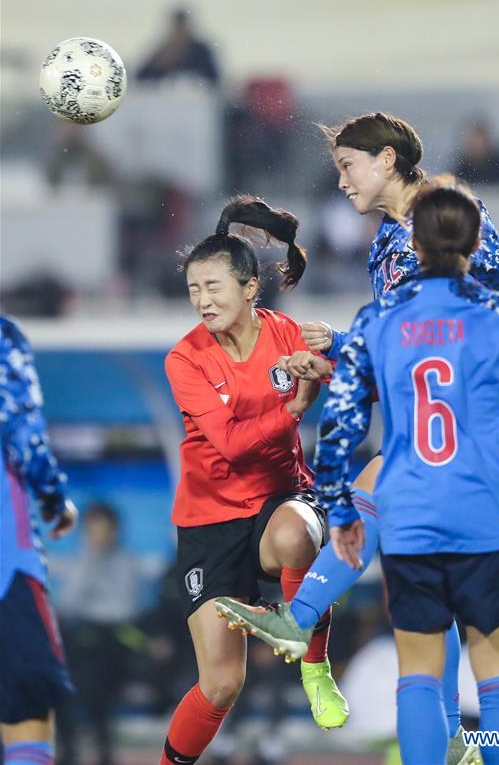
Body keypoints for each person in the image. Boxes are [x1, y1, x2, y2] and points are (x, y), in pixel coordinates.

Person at [212, 112, 499, 765]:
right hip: (469, 481)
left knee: (380, 508)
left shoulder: (444, 219)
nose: (341, 181)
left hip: (443, 443)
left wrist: (352, 350)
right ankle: (453, 745)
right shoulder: (391, 240)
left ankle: (301, 618)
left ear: (386, 160)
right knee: (475, 658)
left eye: (347, 166)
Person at [160, 196, 348, 765]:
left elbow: (344, 380)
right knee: (221, 685)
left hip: (279, 495)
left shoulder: (285, 331)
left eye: (213, 287)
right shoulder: (184, 360)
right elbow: (232, 444)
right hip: (208, 519)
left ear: (249, 289)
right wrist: (295, 410)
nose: (202, 300)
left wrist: (330, 361)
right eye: (194, 289)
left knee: (297, 536)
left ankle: (313, 666)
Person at [0, 315, 77, 765]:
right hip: (5, 557)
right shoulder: (3, 337)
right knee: (26, 702)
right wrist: (54, 499)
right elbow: (22, 433)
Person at [56, 503, 141, 765]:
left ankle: (103, 749)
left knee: (95, 684)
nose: (98, 534)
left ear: (115, 530)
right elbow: (67, 601)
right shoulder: (80, 560)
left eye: (103, 528)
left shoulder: (125, 563)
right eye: (92, 528)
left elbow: (124, 608)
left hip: (111, 639)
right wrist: (91, 558)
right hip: (80, 635)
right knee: (58, 678)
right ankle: (68, 747)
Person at [137, 8, 220, 86]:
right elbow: (140, 78)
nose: (179, 34)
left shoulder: (201, 52)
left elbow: (213, 79)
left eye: (182, 29)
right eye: (176, 29)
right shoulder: (163, 52)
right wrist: (159, 67)